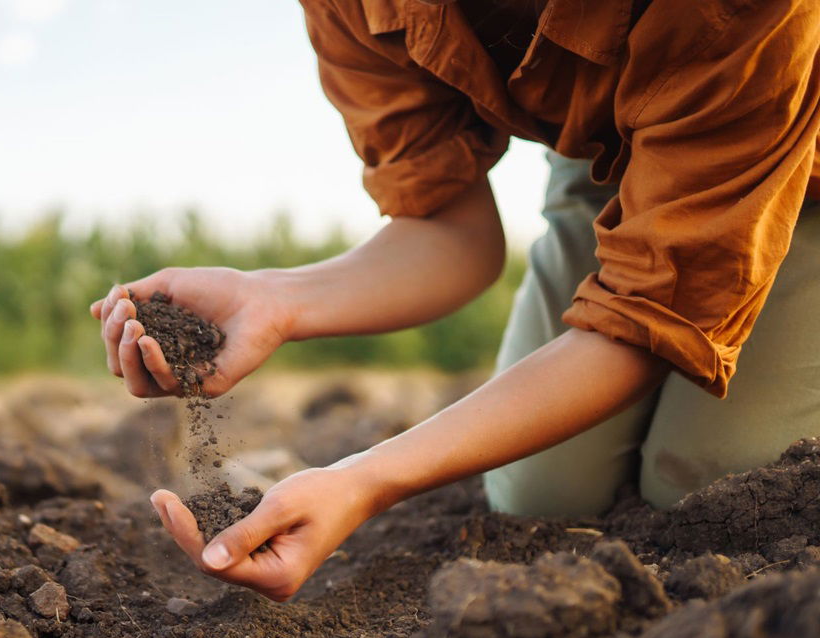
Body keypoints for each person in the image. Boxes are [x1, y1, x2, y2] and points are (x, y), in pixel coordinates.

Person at [90, 0, 820, 602]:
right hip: (619, 155)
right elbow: (449, 231)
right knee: (543, 496)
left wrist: (365, 479)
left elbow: (647, 319)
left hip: (790, 144)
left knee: (713, 487)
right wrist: (274, 298)